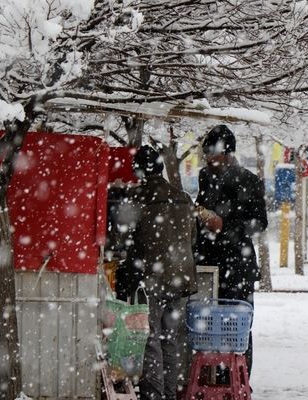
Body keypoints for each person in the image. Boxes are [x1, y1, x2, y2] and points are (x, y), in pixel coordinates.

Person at [115, 145, 197, 400]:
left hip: (151, 278)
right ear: (161, 167)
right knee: (169, 340)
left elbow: (122, 240)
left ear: (138, 170)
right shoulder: (183, 197)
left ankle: (154, 396)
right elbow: (191, 238)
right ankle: (169, 394)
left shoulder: (138, 198)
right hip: (179, 278)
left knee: (150, 341)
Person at [194, 124, 268, 373]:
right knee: (207, 327)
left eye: (212, 155)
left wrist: (224, 225)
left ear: (227, 154)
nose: (208, 160)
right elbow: (202, 207)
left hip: (237, 264)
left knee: (237, 326)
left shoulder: (249, 181)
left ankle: (239, 376)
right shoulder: (205, 177)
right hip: (208, 262)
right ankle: (211, 377)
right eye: (206, 155)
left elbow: (259, 223)